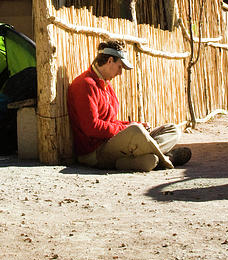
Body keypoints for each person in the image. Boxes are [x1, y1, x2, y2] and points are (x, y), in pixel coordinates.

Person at [67, 40, 191, 172]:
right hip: (95, 152)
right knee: (136, 132)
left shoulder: (106, 86)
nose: (120, 73)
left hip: (115, 143)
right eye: (120, 67)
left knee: (171, 129)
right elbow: (92, 128)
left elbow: (111, 122)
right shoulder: (85, 84)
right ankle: (166, 159)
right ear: (109, 61)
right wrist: (127, 128)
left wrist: (133, 123)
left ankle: (141, 161)